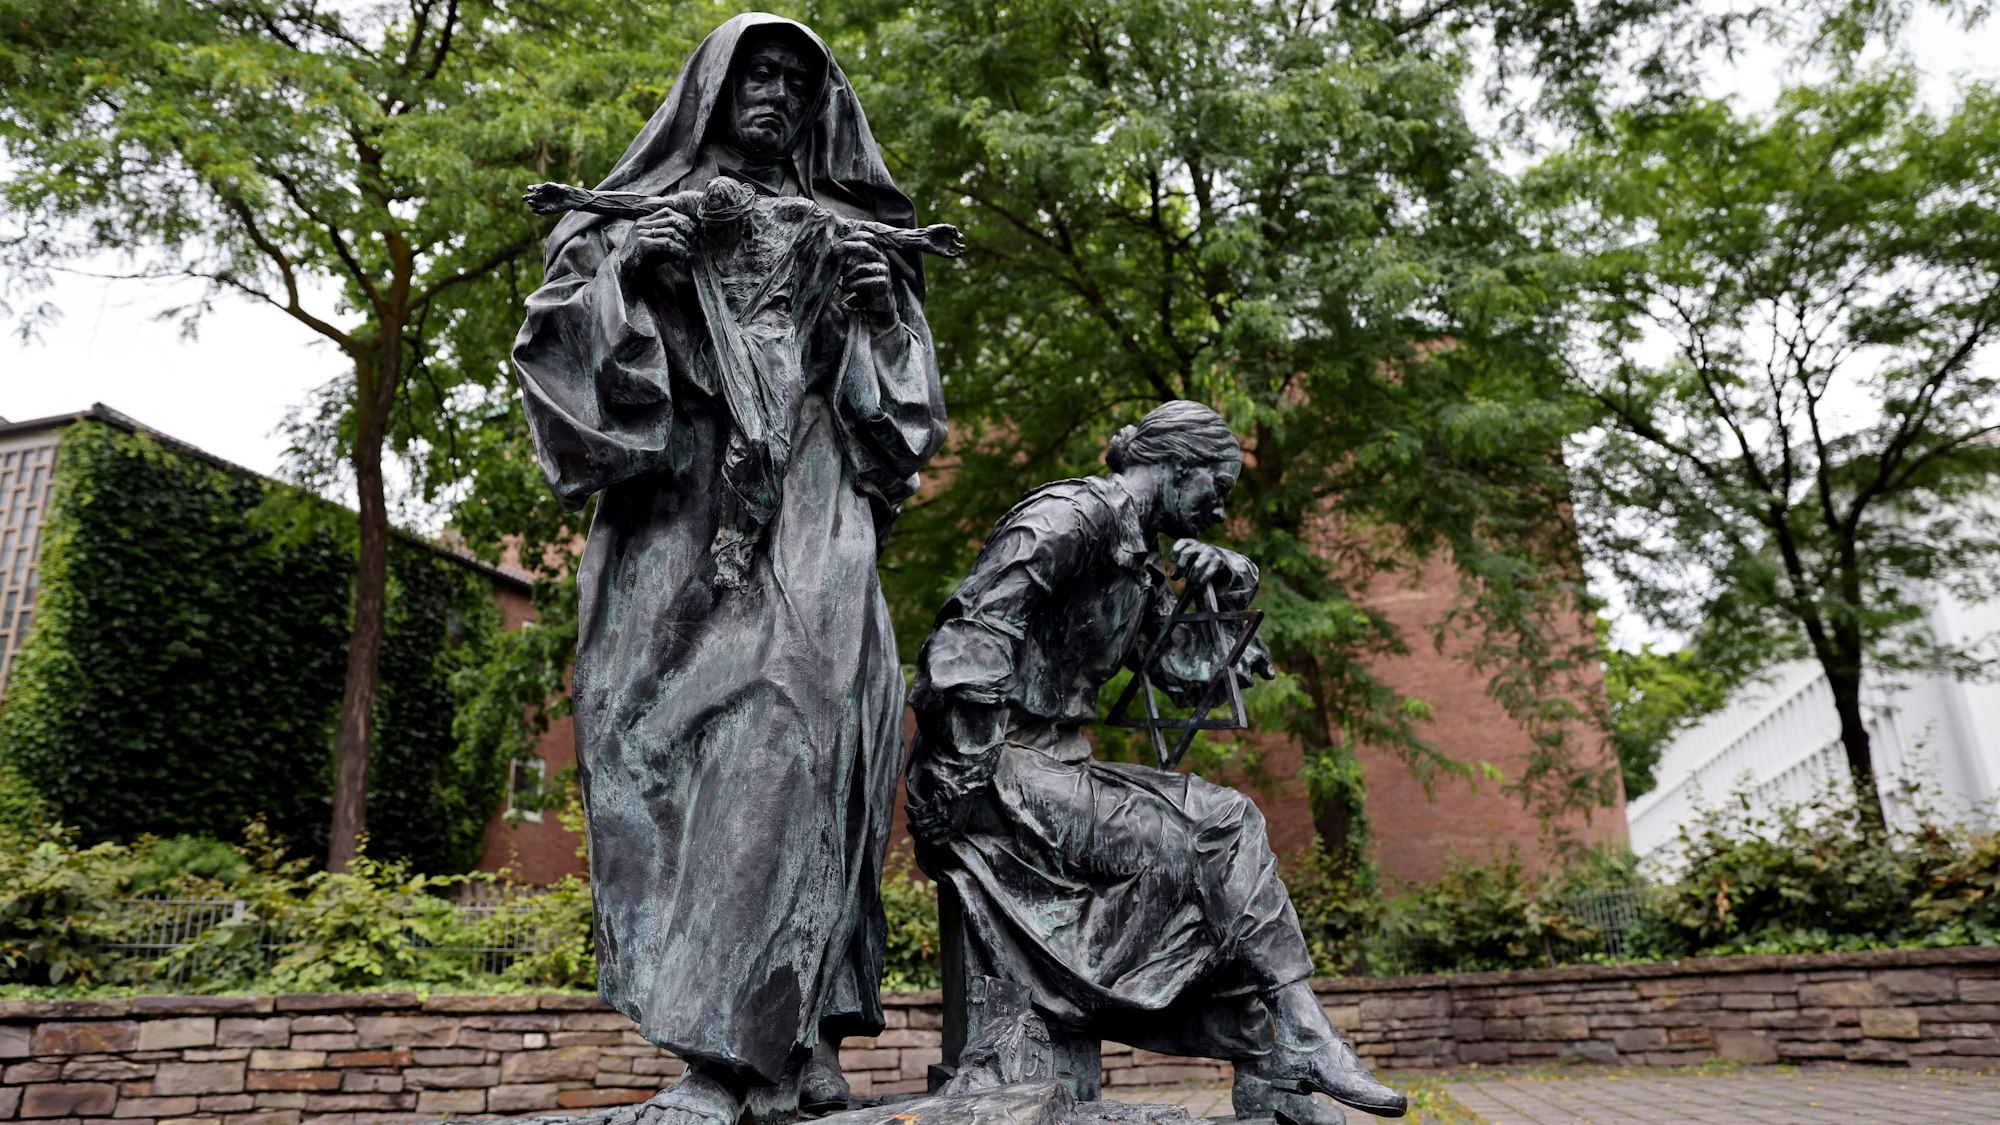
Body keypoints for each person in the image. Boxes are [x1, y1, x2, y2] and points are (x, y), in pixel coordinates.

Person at [511, 14, 947, 1125]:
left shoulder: (849, 228)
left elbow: (898, 416)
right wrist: (633, 283)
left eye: (798, 82)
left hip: (811, 514)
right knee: (661, 763)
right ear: (712, 88)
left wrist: (876, 307)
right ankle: (779, 1035)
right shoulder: (632, 216)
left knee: (798, 734)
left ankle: (740, 1052)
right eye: (756, 73)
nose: (776, 94)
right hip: (676, 518)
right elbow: (563, 364)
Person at [906, 401, 1406, 1122]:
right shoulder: (1070, 517)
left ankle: (1279, 1062)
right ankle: (1293, 1044)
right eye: (1216, 488)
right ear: (1177, 466)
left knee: (1221, 843)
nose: (1220, 509)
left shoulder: (1139, 567)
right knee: (1221, 826)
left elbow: (1185, 672)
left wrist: (1226, 595)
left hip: (1057, 769)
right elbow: (969, 634)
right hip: (992, 768)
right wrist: (964, 775)